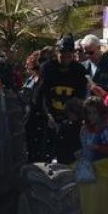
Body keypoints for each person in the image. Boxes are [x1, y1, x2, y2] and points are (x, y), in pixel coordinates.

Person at [36, 34, 90, 164]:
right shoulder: (48, 68)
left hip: (71, 118)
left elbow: (81, 96)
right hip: (50, 115)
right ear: (57, 53)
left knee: (69, 154)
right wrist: (47, 115)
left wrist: (74, 117)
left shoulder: (79, 70)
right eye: (62, 55)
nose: (66, 58)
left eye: (69, 55)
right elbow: (40, 94)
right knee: (46, 153)